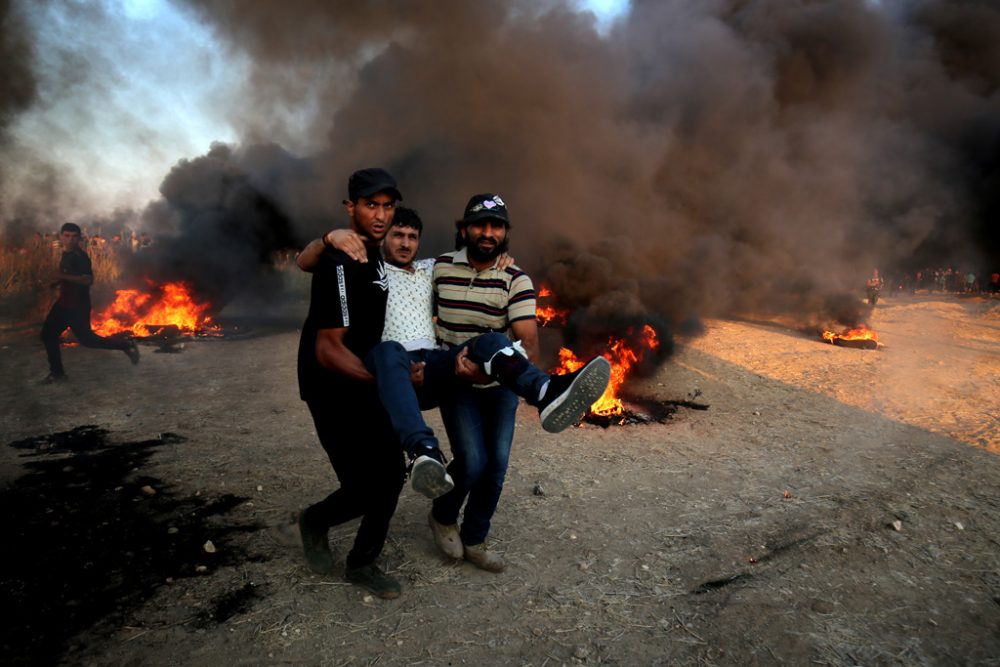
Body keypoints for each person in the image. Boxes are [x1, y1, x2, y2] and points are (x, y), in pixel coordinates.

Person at [299, 207, 610, 502]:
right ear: (384, 238)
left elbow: (476, 258)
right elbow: (308, 262)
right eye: (397, 235)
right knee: (388, 351)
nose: (405, 243)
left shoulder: (432, 267)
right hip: (395, 367)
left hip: (434, 363)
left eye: (412, 237)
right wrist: (330, 238)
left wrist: (500, 257)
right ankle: (423, 451)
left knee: (487, 340)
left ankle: (544, 391)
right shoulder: (369, 271)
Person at [295, 167, 409, 599]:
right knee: (363, 487)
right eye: (370, 205)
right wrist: (386, 385)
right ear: (351, 207)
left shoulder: (372, 252)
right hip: (329, 384)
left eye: (386, 205)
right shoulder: (342, 259)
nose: (380, 215)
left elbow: (302, 259)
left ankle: (362, 563)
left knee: (392, 474)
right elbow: (328, 349)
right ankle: (314, 521)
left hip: (362, 377)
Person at [40, 222, 139, 382]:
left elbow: (87, 280)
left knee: (88, 340)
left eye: (74, 236)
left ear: (79, 238)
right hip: (64, 303)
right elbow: (67, 275)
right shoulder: (66, 254)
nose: (70, 240)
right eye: (67, 236)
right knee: (48, 335)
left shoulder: (81, 257)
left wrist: (62, 277)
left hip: (77, 306)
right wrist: (57, 282)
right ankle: (57, 373)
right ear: (61, 237)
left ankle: (124, 345)